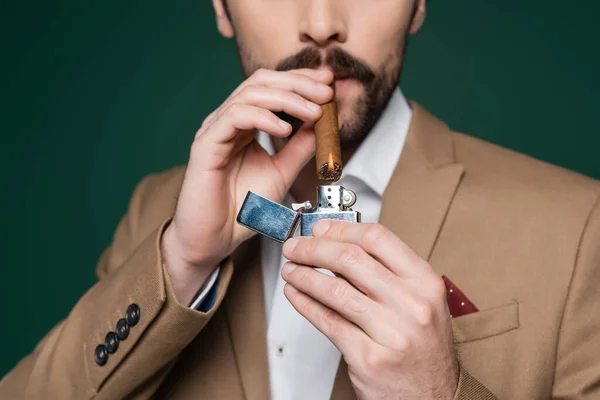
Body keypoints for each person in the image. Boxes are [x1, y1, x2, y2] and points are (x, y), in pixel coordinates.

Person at [2, 0, 599, 398]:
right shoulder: (155, 215)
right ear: (221, 6)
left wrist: (447, 392)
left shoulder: (579, 227)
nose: (320, 22)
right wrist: (183, 262)